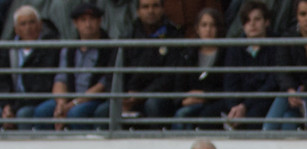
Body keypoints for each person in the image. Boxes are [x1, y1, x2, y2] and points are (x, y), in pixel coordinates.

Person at [35, 2, 113, 130]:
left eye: (92, 19)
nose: (88, 24)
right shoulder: (69, 49)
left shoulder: (109, 48)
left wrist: (73, 104)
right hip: (70, 99)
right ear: (75, 23)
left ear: (100, 21)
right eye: (83, 20)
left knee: (76, 113)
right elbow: (61, 79)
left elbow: (103, 85)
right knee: (42, 112)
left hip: (95, 99)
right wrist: (61, 104)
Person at [265, 0, 307, 129]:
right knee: (288, 120)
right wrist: (291, 90)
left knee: (283, 105)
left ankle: (266, 132)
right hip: (291, 96)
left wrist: (305, 87)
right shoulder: (287, 37)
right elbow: (281, 69)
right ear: (297, 16)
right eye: (303, 14)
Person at [122, 0, 185, 126]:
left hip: (161, 95)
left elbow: (169, 77)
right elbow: (115, 69)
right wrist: (123, 94)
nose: (150, 11)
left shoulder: (173, 35)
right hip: (130, 94)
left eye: (155, 6)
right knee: (103, 110)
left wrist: (142, 95)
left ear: (162, 9)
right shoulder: (129, 34)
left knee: (153, 105)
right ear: (138, 12)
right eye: (145, 7)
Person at [222, 1, 278, 129]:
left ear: (267, 21)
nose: (252, 24)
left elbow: (272, 83)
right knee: (208, 115)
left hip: (265, 100)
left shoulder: (277, 45)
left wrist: (245, 106)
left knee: (252, 119)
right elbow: (230, 82)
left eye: (257, 19)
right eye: (247, 20)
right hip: (239, 102)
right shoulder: (235, 48)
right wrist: (234, 106)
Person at [1, 6, 58, 130]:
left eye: (32, 22)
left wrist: (13, 108)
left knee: (23, 114)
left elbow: (42, 85)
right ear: (16, 29)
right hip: (13, 101)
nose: (28, 28)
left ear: (40, 25)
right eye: (23, 24)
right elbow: (3, 81)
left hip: (37, 100)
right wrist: (6, 106)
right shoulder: (7, 50)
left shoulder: (49, 48)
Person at [171, 8, 227, 130]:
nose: (208, 30)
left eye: (212, 25)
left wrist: (205, 95)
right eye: (204, 25)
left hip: (215, 104)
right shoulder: (188, 55)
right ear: (197, 29)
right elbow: (178, 86)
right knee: (182, 114)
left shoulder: (226, 55)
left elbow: (226, 87)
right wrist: (183, 100)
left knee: (184, 115)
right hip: (189, 103)